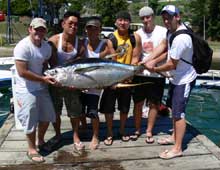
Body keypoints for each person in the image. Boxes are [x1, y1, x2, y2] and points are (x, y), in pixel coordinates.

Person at [143, 5, 197, 159]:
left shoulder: (181, 38)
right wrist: (148, 59)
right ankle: (174, 137)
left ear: (177, 17)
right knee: (173, 108)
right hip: (175, 77)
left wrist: (153, 69)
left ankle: (178, 148)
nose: (166, 20)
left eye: (170, 17)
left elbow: (171, 64)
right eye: (164, 17)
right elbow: (163, 46)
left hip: (184, 80)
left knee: (179, 113)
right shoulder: (170, 32)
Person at [13, 18, 57, 163]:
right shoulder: (22, 47)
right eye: (36, 29)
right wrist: (43, 79)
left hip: (41, 87)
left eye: (42, 29)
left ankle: (41, 140)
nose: (39, 32)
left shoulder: (46, 47)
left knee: (48, 116)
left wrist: (50, 75)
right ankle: (31, 148)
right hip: (26, 89)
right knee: (30, 119)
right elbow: (22, 72)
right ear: (30, 29)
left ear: (45, 31)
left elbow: (45, 63)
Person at [99, 10, 142, 146]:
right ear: (116, 22)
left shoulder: (135, 37)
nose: (123, 22)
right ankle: (110, 132)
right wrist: (117, 78)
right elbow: (113, 61)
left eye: (126, 20)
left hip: (129, 78)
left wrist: (129, 74)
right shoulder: (111, 39)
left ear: (129, 22)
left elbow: (136, 57)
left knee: (124, 108)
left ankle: (122, 130)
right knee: (109, 108)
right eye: (120, 20)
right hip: (113, 78)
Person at [48, 11, 85, 152]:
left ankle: (75, 136)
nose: (73, 26)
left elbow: (80, 65)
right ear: (63, 24)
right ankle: (58, 135)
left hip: (72, 84)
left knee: (74, 112)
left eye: (76, 24)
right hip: (55, 83)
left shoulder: (80, 43)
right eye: (70, 23)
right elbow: (49, 63)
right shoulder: (53, 41)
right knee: (55, 111)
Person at [130, 6, 167, 143]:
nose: (146, 20)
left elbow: (166, 51)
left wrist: (153, 62)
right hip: (141, 74)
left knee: (154, 104)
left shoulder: (163, 32)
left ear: (153, 17)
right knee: (138, 103)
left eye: (148, 17)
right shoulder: (138, 33)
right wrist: (135, 65)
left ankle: (149, 131)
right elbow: (135, 54)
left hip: (157, 73)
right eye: (143, 18)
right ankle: (137, 129)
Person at [81, 17, 110, 150]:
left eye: (95, 28)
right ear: (86, 29)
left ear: (100, 30)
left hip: (95, 84)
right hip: (80, 83)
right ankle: (84, 128)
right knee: (80, 109)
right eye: (89, 28)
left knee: (92, 111)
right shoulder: (82, 43)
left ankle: (95, 135)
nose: (92, 31)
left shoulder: (104, 45)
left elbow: (109, 64)